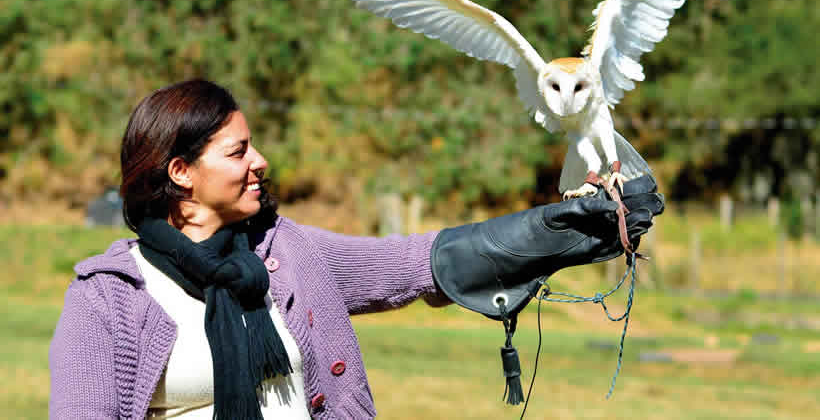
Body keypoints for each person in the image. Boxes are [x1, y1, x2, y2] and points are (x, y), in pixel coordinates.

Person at [49, 79, 664, 419]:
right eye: (237, 152)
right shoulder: (109, 298)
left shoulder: (290, 251)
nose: (259, 162)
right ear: (181, 172)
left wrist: (566, 227)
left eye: (252, 144)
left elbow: (421, 263)